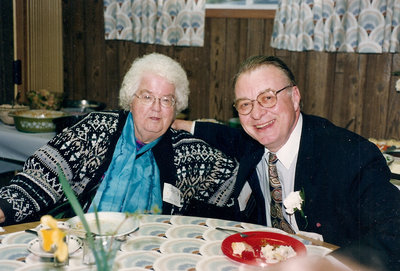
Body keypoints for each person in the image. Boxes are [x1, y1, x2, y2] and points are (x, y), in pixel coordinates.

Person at [172, 55, 400, 270]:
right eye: (245, 105)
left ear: (295, 96)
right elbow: (227, 136)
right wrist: (185, 125)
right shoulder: (253, 143)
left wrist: (327, 267)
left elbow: (394, 230)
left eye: (268, 98)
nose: (257, 114)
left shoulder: (348, 156)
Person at [0, 53, 238, 226]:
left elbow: (235, 183)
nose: (157, 108)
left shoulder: (187, 153)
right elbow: (42, 175)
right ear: (131, 99)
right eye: (147, 97)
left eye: (167, 100)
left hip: (149, 254)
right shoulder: (96, 129)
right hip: (84, 246)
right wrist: (4, 207)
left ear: (177, 107)